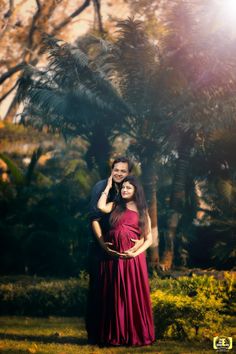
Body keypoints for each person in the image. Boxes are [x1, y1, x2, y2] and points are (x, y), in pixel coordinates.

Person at [86, 157, 143, 344]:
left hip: (125, 255)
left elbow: (143, 222)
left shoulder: (129, 190)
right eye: (116, 169)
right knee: (99, 292)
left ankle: (122, 333)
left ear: (129, 173)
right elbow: (95, 217)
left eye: (123, 171)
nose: (119, 173)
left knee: (122, 293)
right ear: (111, 170)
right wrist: (103, 244)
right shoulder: (101, 187)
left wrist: (139, 243)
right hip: (101, 248)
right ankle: (96, 334)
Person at [95, 175, 155, 346]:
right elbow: (100, 206)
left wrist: (134, 254)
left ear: (136, 190)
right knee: (114, 295)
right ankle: (114, 335)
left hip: (133, 261)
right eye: (122, 188)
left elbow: (149, 239)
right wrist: (107, 187)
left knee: (131, 295)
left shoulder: (143, 211)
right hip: (112, 258)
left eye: (128, 187)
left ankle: (134, 334)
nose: (125, 190)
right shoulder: (115, 205)